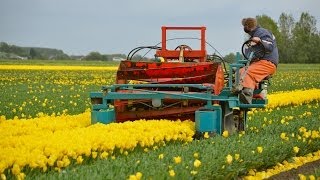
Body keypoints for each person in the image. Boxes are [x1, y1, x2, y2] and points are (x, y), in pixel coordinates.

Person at [239, 17, 279, 104]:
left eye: (245, 26)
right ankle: (257, 94)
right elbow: (250, 54)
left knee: (247, 72)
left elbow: (269, 46)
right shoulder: (255, 35)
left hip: (267, 62)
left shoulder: (261, 32)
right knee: (240, 71)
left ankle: (247, 95)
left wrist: (260, 41)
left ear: (248, 27)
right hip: (262, 62)